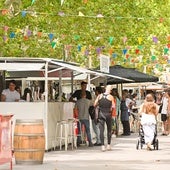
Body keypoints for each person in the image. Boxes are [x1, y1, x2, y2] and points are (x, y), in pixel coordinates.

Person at [69, 81, 93, 147]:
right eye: (83, 86)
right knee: (87, 130)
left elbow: (75, 108)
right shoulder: (78, 92)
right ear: (81, 86)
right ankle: (90, 142)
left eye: (85, 86)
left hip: (80, 116)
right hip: (86, 116)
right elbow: (92, 103)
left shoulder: (87, 94)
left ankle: (78, 142)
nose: (84, 87)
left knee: (80, 130)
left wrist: (77, 102)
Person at [94, 85, 115, 151]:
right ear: (110, 90)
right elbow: (113, 106)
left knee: (101, 130)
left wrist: (99, 105)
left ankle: (102, 146)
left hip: (101, 114)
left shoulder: (99, 96)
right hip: (108, 114)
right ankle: (108, 145)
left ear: (105, 89)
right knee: (109, 130)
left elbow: (94, 104)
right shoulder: (111, 97)